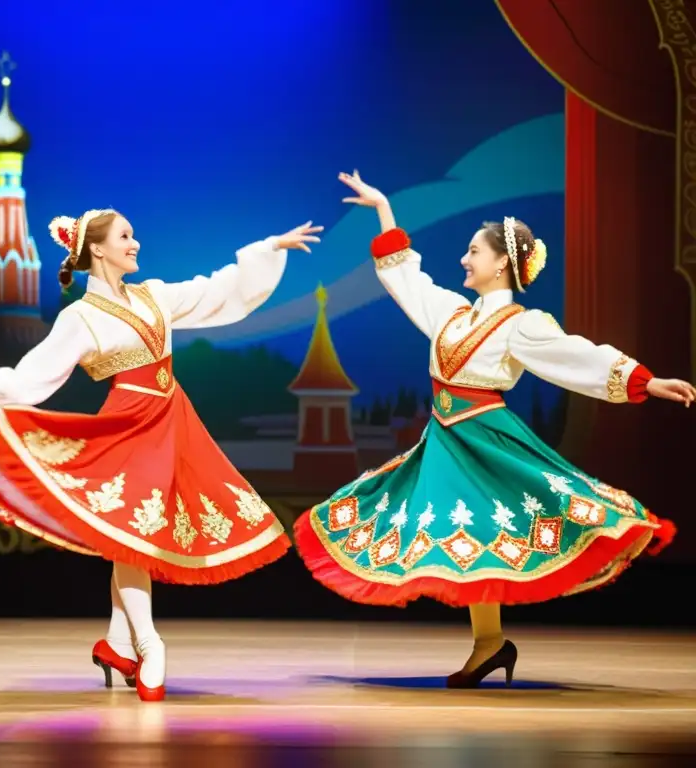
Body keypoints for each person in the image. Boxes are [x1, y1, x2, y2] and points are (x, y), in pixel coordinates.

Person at [293, 171, 693, 688]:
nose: (464, 259)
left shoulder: (520, 324)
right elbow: (405, 277)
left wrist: (644, 380)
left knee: (487, 525)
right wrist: (384, 210)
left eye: (473, 252)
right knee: (465, 531)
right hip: (447, 440)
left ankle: (490, 642)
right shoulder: (451, 315)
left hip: (486, 440)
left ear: (501, 262)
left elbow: (576, 357)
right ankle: (489, 643)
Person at [0, 208, 322, 701]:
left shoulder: (154, 296)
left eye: (134, 234)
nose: (135, 243)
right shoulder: (80, 317)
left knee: (140, 535)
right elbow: (37, 374)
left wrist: (268, 249)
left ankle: (118, 643)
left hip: (173, 420)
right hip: (129, 425)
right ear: (96, 249)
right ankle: (148, 642)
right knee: (133, 535)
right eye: (125, 236)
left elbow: (215, 291)